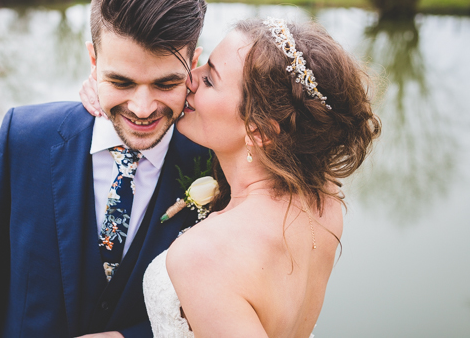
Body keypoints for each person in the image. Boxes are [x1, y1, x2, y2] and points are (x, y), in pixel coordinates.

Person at [0, 0, 210, 338]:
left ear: (195, 64)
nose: (142, 108)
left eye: (165, 83)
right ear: (93, 59)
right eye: (121, 81)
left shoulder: (215, 164)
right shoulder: (22, 138)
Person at [82, 17, 381, 336]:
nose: (188, 79)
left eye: (209, 79)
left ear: (259, 129)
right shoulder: (324, 201)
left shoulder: (204, 253)